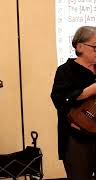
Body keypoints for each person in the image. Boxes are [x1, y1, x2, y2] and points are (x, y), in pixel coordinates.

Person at [51, 26, 96, 180]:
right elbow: (61, 99)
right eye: (95, 47)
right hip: (76, 138)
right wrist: (92, 89)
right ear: (79, 46)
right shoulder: (65, 71)